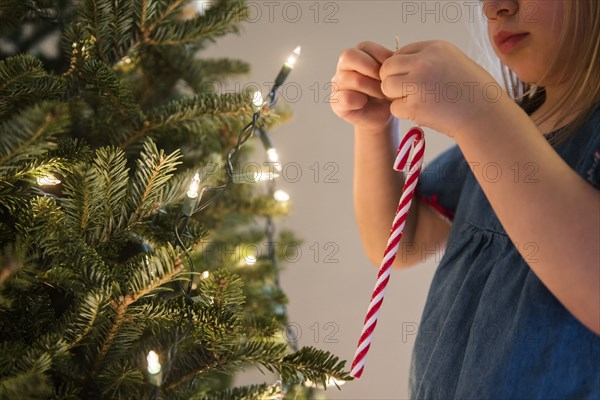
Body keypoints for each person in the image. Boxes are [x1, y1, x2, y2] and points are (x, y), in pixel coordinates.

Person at [330, 0, 599, 397]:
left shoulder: (498, 130)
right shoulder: (503, 134)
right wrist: (375, 128)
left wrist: (479, 114)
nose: (494, 8)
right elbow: (398, 244)